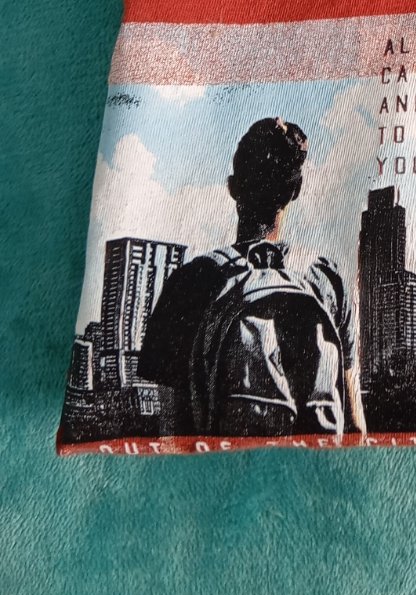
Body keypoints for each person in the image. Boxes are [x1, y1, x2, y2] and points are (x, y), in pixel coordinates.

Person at [140, 116, 365, 438]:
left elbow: (171, 433)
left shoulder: (188, 283)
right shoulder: (327, 279)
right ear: (296, 190)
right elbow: (355, 423)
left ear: (232, 188)